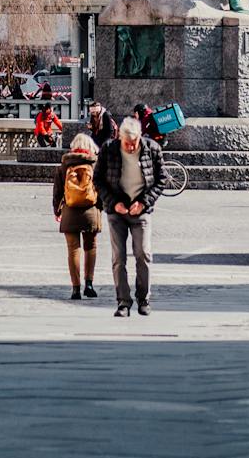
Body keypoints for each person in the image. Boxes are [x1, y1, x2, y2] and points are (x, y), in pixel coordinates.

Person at [96, 116, 167, 317]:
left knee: (143, 254)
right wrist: (113, 203)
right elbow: (98, 180)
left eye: (134, 143)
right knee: (118, 258)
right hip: (116, 210)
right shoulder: (109, 149)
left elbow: (162, 179)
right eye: (126, 143)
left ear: (139, 137)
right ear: (120, 138)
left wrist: (144, 202)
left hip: (140, 209)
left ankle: (144, 299)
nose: (130, 147)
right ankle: (123, 302)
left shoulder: (152, 149)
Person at [53, 131, 104, 299]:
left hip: (70, 210)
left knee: (73, 249)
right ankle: (89, 284)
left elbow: (57, 191)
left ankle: (75, 289)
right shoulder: (95, 164)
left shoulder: (65, 164)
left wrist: (57, 210)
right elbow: (102, 189)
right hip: (91, 210)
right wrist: (101, 207)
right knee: (91, 247)